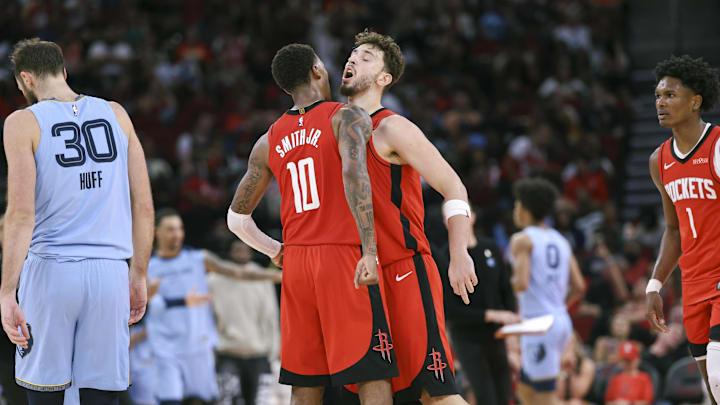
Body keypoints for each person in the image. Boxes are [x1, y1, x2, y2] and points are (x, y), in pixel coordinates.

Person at [227, 43, 397, 405]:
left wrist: (275, 250)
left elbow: (236, 219)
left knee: (305, 382)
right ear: (318, 71)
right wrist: (370, 249)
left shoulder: (267, 140)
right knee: (373, 371)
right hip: (342, 256)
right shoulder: (345, 116)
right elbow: (356, 178)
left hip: (298, 265)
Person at [0, 38, 154, 404]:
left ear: (25, 79)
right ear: (63, 72)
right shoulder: (116, 113)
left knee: (44, 393)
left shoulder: (22, 122)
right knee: (102, 395)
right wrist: (140, 273)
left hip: (51, 271)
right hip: (110, 273)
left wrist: (7, 290)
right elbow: (144, 205)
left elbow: (21, 215)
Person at [339, 29, 477, 405]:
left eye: (366, 57)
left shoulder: (392, 127)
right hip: (358, 278)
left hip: (403, 269)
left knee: (435, 394)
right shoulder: (332, 129)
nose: (353, 59)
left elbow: (454, 188)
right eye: (353, 54)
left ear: (385, 79)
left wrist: (459, 252)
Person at [645, 54, 720, 404]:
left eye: (670, 95)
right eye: (658, 96)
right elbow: (673, 231)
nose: (661, 102)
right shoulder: (659, 160)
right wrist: (655, 284)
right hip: (693, 282)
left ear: (695, 101)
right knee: (713, 387)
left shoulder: (718, 145)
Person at [146, 209, 280, 405]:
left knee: (202, 400)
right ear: (156, 231)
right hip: (164, 348)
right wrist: (154, 298)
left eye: (180, 229)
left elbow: (238, 273)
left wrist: (279, 276)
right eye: (170, 229)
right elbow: (137, 307)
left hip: (198, 347)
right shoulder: (148, 267)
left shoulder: (199, 259)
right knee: (169, 400)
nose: (177, 234)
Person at [509, 178, 586, 405]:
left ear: (524, 208)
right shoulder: (560, 239)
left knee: (546, 397)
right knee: (525, 389)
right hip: (560, 320)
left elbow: (521, 283)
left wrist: (503, 287)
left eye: (516, 205)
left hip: (539, 324)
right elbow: (579, 286)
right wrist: (558, 306)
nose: (515, 210)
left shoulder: (522, 239)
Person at [440, 211, 521, 405]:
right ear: (445, 222)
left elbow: (506, 289)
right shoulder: (443, 256)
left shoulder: (491, 248)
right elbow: (450, 311)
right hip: (468, 339)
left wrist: (510, 325)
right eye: (448, 216)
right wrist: (491, 315)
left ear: (473, 216)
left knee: (505, 395)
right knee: (485, 397)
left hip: (497, 335)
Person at [209, 240, 282, 405]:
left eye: (244, 249)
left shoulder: (263, 277)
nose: (240, 253)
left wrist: (275, 349)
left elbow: (270, 316)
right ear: (229, 252)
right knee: (226, 401)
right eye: (236, 249)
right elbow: (209, 318)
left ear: (251, 253)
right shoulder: (214, 279)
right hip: (227, 352)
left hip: (258, 353)